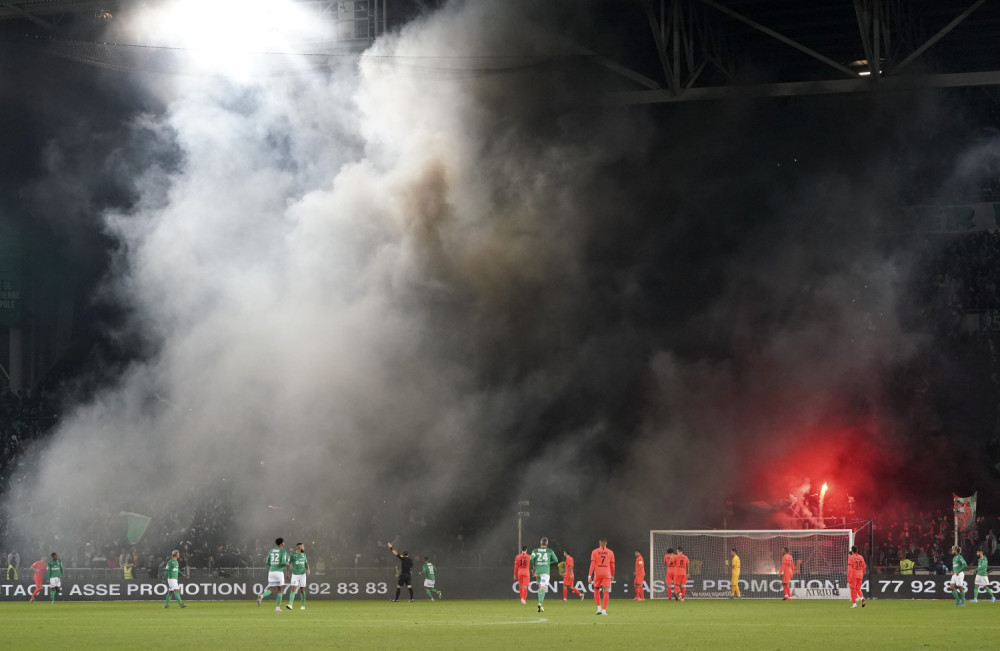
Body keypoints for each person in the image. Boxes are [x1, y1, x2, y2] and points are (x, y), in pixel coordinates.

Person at [256, 537, 290, 611]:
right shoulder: (283, 551)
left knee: (271, 590)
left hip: (271, 572)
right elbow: (283, 562)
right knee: (280, 589)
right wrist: (287, 563)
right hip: (279, 572)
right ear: (282, 543)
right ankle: (277, 608)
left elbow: (267, 562)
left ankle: (262, 595)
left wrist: (273, 564)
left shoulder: (271, 551)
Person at [530, 537, 559, 613]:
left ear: (540, 543)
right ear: (547, 544)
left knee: (540, 587)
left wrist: (532, 568)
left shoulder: (535, 551)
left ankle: (541, 606)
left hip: (537, 572)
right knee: (543, 588)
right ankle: (540, 603)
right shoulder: (550, 551)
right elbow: (556, 561)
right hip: (545, 573)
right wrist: (548, 564)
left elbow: (531, 559)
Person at [588, 537, 615, 615]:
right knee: (606, 591)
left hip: (598, 573)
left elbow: (592, 564)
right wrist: (612, 574)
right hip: (606, 573)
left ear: (599, 543)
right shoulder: (610, 552)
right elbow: (612, 565)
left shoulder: (594, 552)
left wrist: (589, 575)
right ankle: (604, 610)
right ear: (606, 543)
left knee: (596, 589)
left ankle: (599, 608)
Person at [286, 542, 310, 610]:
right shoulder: (292, 555)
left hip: (302, 575)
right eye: (303, 546)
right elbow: (288, 564)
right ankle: (290, 605)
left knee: (302, 590)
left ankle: (303, 605)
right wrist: (287, 573)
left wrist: (308, 569)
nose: (304, 548)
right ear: (299, 547)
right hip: (295, 575)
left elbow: (306, 563)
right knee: (293, 588)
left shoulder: (304, 555)